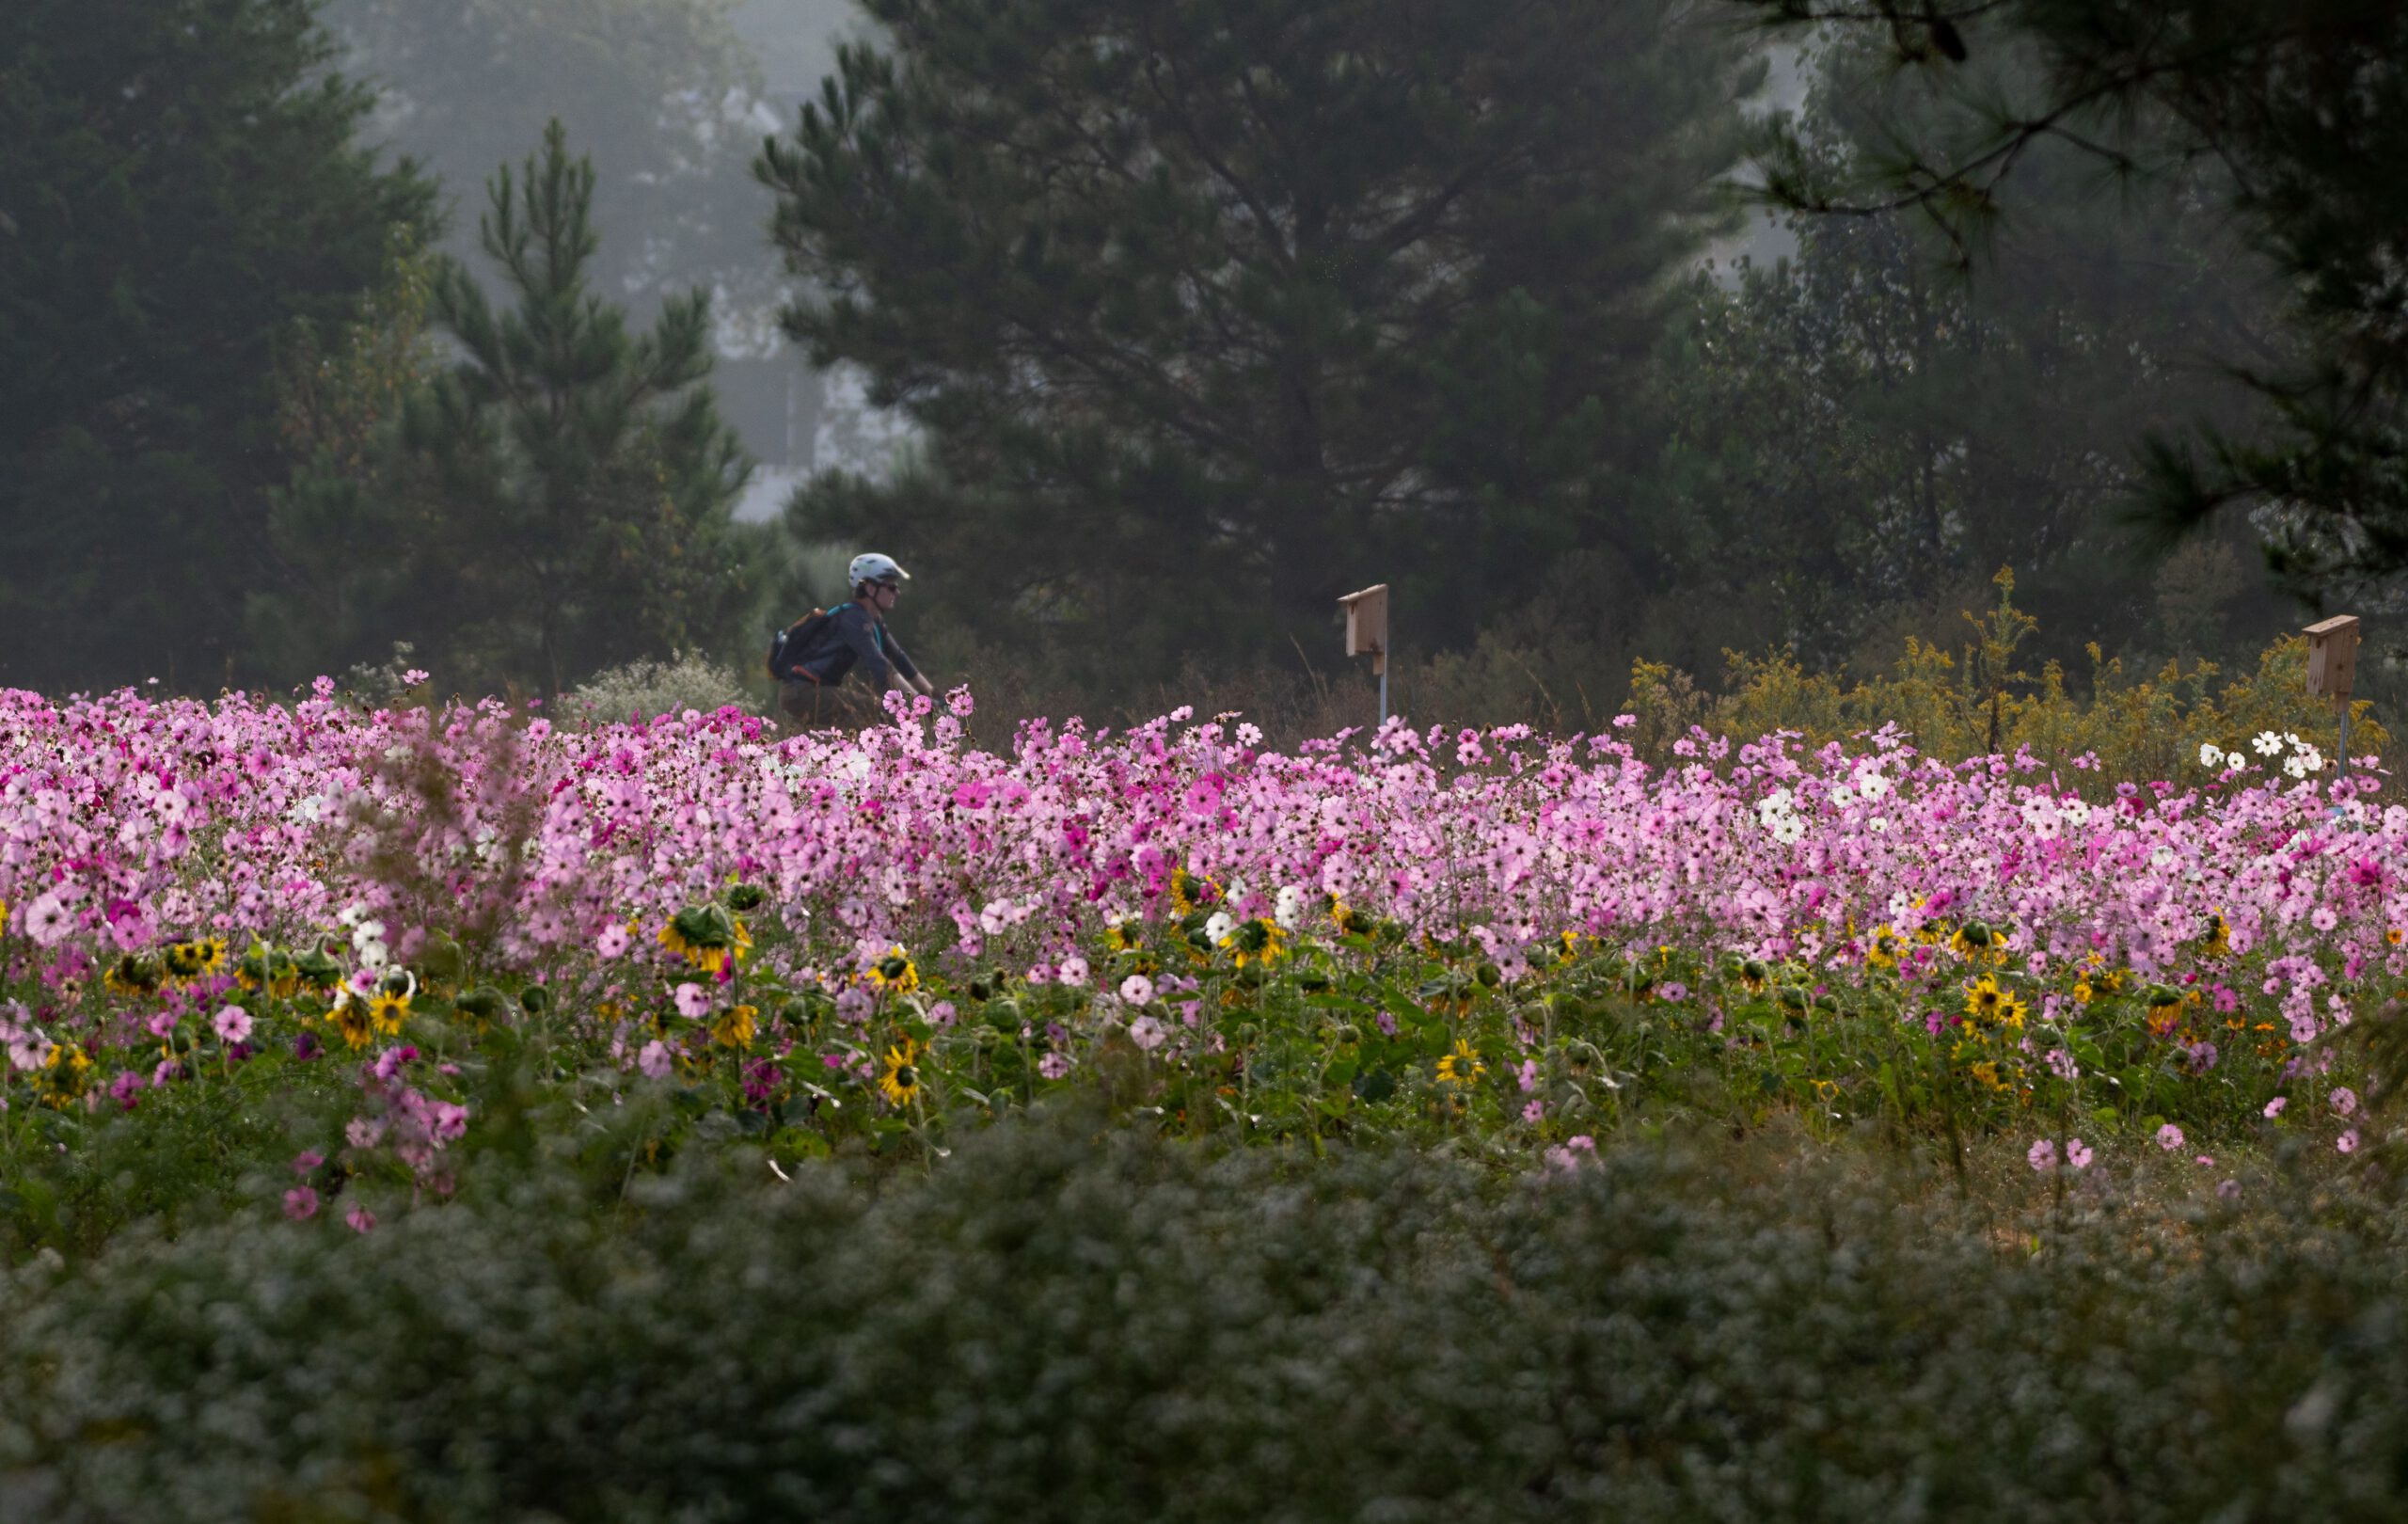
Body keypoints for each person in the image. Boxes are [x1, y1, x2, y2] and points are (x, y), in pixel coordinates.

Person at [777, 552, 935, 725]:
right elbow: (879, 665)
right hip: (801, 692)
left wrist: (931, 694)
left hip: (815, 691)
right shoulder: (853, 619)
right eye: (890, 586)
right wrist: (921, 705)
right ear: (870, 588)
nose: (896, 592)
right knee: (878, 712)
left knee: (873, 714)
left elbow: (898, 657)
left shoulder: (873, 620)